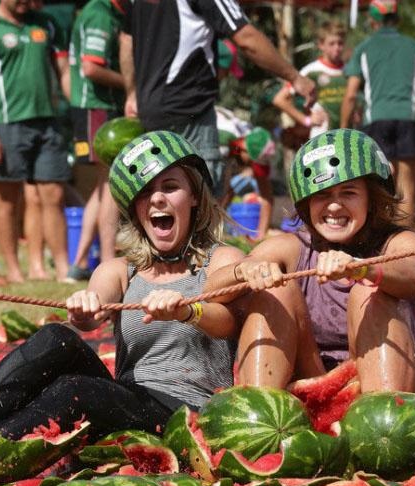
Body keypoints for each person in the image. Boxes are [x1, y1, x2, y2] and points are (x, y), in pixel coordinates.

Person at [0, 131, 243, 486]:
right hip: (127, 400)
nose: (157, 199)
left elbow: (227, 321)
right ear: (134, 207)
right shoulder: (120, 271)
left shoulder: (222, 260)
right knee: (56, 336)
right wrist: (84, 309)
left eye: (170, 187)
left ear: (194, 195)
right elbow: (93, 310)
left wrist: (185, 312)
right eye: (145, 192)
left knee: (77, 388)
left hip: (185, 413)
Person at [205, 128, 415, 394]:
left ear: (372, 198)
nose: (334, 206)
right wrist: (244, 270)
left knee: (368, 292)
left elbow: (414, 277)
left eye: (348, 193)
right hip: (316, 389)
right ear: (306, 203)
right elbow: (210, 292)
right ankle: (260, 410)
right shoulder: (291, 248)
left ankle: (386, 417)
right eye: (322, 195)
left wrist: (364, 269)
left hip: (380, 399)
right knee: (276, 290)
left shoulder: (398, 241)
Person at [119, 0, 316, 192]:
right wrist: (295, 77)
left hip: (150, 110)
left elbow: (127, 40)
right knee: (202, 198)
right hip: (188, 109)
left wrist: (131, 94)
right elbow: (246, 37)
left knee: (161, 192)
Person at [0, 0, 71, 284]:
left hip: (49, 123)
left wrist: (79, 108)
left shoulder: (46, 23)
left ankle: (63, 269)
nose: (26, 2)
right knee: (6, 199)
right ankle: (13, 268)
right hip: (7, 124)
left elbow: (64, 72)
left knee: (54, 196)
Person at [340, 0, 415, 223]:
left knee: (378, 185)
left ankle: (381, 245)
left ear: (372, 21)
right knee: (407, 185)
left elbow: (351, 94)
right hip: (408, 120)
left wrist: (343, 131)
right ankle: (406, 248)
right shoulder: (414, 47)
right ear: (397, 19)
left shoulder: (364, 48)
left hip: (376, 121)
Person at [64, 0, 125, 281]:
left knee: (103, 185)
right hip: (96, 106)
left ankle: (79, 262)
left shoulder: (106, 12)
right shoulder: (99, 14)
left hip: (93, 106)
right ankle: (108, 261)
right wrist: (134, 85)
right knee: (111, 182)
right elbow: (91, 68)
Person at [272, 20, 350, 143]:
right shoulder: (311, 71)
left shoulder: (349, 70)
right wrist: (306, 120)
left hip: (348, 139)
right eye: (332, 43)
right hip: (321, 139)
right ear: (321, 45)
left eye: (340, 43)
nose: (337, 48)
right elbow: (279, 99)